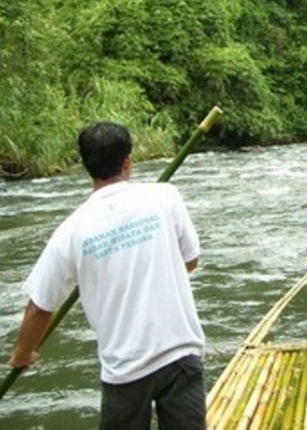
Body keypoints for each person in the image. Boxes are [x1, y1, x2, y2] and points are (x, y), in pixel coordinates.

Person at [7, 122, 206, 429]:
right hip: (180, 354)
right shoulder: (165, 197)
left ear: (87, 166)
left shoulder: (71, 231)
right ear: (128, 161)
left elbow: (40, 307)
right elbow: (190, 261)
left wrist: (22, 354)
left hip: (124, 370)